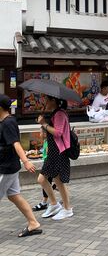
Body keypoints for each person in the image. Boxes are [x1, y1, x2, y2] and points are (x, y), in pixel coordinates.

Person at [0, 94, 42, 237]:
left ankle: (33, 223)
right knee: (14, 195)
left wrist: (26, 161)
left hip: (6, 168)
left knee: (14, 195)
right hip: (9, 167)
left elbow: (16, 144)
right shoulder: (4, 121)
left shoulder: (8, 123)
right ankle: (33, 223)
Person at [37, 96, 73, 220]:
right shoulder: (55, 113)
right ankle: (54, 204)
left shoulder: (60, 114)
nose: (45, 102)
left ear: (53, 101)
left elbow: (58, 132)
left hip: (58, 152)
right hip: (53, 152)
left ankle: (67, 209)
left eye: (47, 100)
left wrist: (44, 124)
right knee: (42, 179)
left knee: (58, 181)